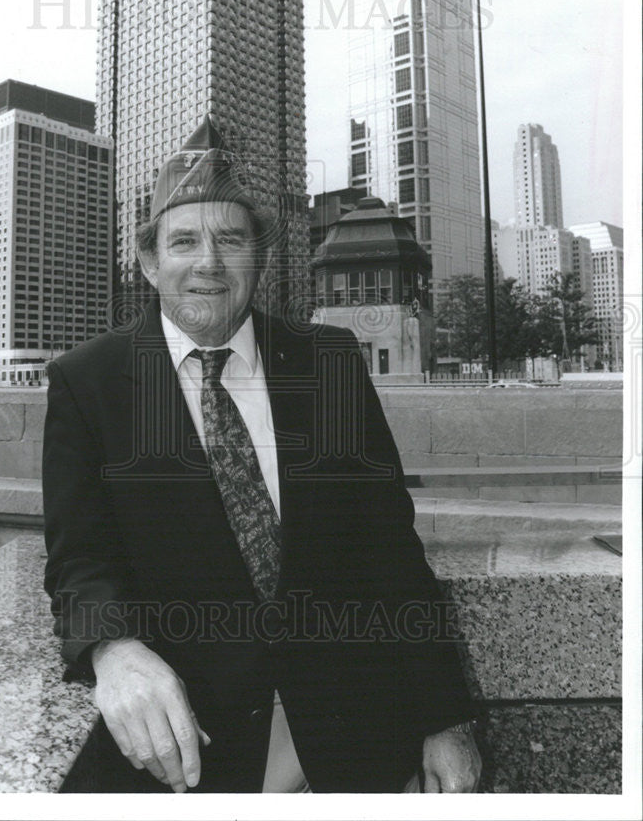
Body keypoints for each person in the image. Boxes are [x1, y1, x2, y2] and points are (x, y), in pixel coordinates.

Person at [42, 115, 481, 794]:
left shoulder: (327, 363)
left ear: (261, 260)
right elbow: (78, 557)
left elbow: (389, 551)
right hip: (195, 757)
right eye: (184, 241)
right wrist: (112, 648)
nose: (208, 262)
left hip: (353, 744)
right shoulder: (89, 381)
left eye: (230, 240)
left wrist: (444, 718)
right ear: (149, 261)